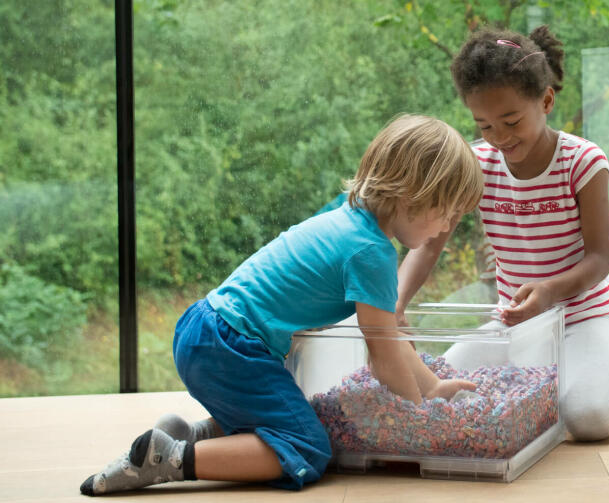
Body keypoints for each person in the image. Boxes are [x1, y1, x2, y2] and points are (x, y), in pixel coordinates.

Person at [79, 114, 484, 496]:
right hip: (231, 345)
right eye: (445, 213)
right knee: (307, 448)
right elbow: (383, 354)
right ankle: (169, 459)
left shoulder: (348, 217)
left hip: (204, 328)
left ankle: (191, 435)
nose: (446, 228)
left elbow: (388, 335)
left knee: (275, 411)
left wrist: (430, 386)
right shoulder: (371, 252)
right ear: (412, 195)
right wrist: (420, 417)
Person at [395, 26, 609, 442]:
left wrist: (550, 291)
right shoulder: (477, 163)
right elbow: (430, 243)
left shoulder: (583, 162)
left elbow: (599, 259)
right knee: (438, 393)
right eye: (484, 126)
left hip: (582, 317)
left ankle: (598, 370)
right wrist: (394, 301)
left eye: (511, 121)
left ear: (546, 101)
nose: (499, 138)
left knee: (589, 420)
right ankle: (578, 372)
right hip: (513, 322)